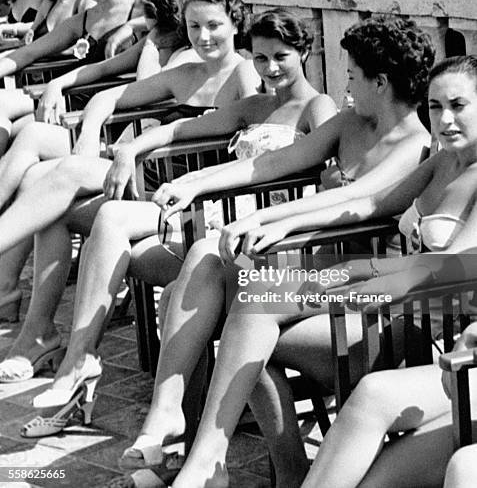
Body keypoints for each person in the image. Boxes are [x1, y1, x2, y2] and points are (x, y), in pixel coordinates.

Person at [79, 14, 433, 488]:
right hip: (311, 277)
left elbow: (359, 201)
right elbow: (276, 163)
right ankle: (169, 420)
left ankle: (220, 464)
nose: (346, 86)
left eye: (352, 76)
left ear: (381, 82)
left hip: (365, 295)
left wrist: (268, 219)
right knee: (206, 253)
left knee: (234, 314)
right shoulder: (351, 122)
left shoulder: (416, 143)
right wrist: (194, 181)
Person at [150, 53, 477, 488]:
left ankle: (229, 464)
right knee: (249, 310)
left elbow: (443, 271)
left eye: (458, 105)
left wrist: (317, 284)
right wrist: (277, 221)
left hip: (428, 332)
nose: (445, 119)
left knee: (255, 307)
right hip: (387, 307)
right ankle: (210, 460)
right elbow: (368, 204)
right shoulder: (442, 163)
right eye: (436, 107)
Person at [13, 8, 336, 442]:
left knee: (112, 229)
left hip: (262, 243)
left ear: (305, 52)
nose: (270, 68)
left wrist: (203, 184)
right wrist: (130, 151)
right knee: (109, 216)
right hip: (213, 220)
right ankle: (78, 361)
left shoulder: (318, 106)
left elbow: (324, 170)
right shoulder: (256, 105)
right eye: (260, 59)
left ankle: (82, 376)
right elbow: (185, 128)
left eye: (282, 56)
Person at [0, 0, 260, 341]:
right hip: (147, 181)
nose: (203, 36)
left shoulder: (245, 72)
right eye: (194, 27)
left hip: (187, 198)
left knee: (61, 176)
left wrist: (132, 148)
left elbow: (256, 142)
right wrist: (91, 131)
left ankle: (35, 331)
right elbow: (109, 97)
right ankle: (36, 333)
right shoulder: (185, 74)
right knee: (48, 192)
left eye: (213, 25)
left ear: (234, 23)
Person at [0, 0, 141, 155]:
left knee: (27, 134)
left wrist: (133, 26)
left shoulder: (143, 9)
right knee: (13, 131)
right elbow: (28, 53)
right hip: (76, 104)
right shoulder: (83, 19)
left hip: (118, 117)